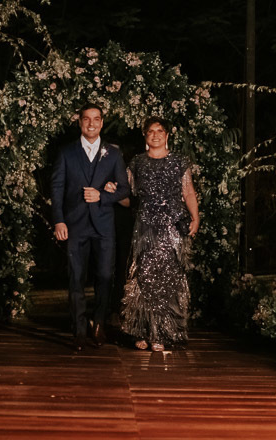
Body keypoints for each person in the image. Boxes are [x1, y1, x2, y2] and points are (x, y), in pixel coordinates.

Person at [116, 117, 199, 352]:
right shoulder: (137, 163)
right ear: (145, 136)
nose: (155, 135)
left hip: (172, 227)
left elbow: (188, 192)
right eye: (150, 131)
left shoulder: (179, 162)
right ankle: (141, 331)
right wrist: (111, 191)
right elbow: (125, 197)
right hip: (145, 227)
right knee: (143, 277)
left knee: (169, 279)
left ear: (167, 135)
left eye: (159, 131)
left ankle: (163, 333)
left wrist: (196, 217)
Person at [51, 104, 129, 351]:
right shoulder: (66, 153)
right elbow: (57, 189)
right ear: (80, 123)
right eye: (87, 119)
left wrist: (103, 197)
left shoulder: (113, 154)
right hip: (75, 225)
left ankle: (99, 324)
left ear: (102, 123)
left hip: (104, 225)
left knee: (105, 277)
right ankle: (79, 330)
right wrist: (59, 220)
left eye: (96, 119)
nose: (91, 124)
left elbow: (126, 190)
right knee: (76, 278)